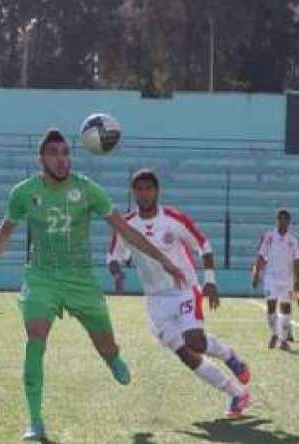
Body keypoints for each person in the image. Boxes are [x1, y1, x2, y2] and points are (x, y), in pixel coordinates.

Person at [0, 129, 185, 442]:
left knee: (106, 345)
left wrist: (163, 258)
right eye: (54, 153)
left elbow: (126, 230)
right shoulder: (23, 192)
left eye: (65, 152)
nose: (61, 159)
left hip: (81, 279)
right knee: (35, 338)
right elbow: (5, 232)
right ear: (42, 159)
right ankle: (35, 421)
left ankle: (112, 358)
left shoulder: (87, 190)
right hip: (41, 276)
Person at [107, 169, 251, 419]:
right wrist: (117, 272)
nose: (143, 193)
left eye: (148, 188)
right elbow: (113, 257)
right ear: (133, 193)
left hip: (184, 289)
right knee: (187, 356)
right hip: (155, 300)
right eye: (138, 189)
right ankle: (236, 394)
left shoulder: (174, 218)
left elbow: (204, 246)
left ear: (157, 191)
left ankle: (229, 355)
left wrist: (210, 281)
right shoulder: (126, 225)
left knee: (195, 340)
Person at [251, 209, 299, 350]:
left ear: (289, 221)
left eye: (285, 219)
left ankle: (284, 340)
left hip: (287, 280)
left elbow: (297, 261)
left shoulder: (293, 240)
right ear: (277, 220)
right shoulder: (269, 236)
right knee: (271, 307)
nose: (282, 221)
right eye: (280, 219)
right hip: (270, 278)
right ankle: (274, 334)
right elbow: (261, 256)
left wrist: (297, 281)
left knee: (286, 308)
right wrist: (256, 274)